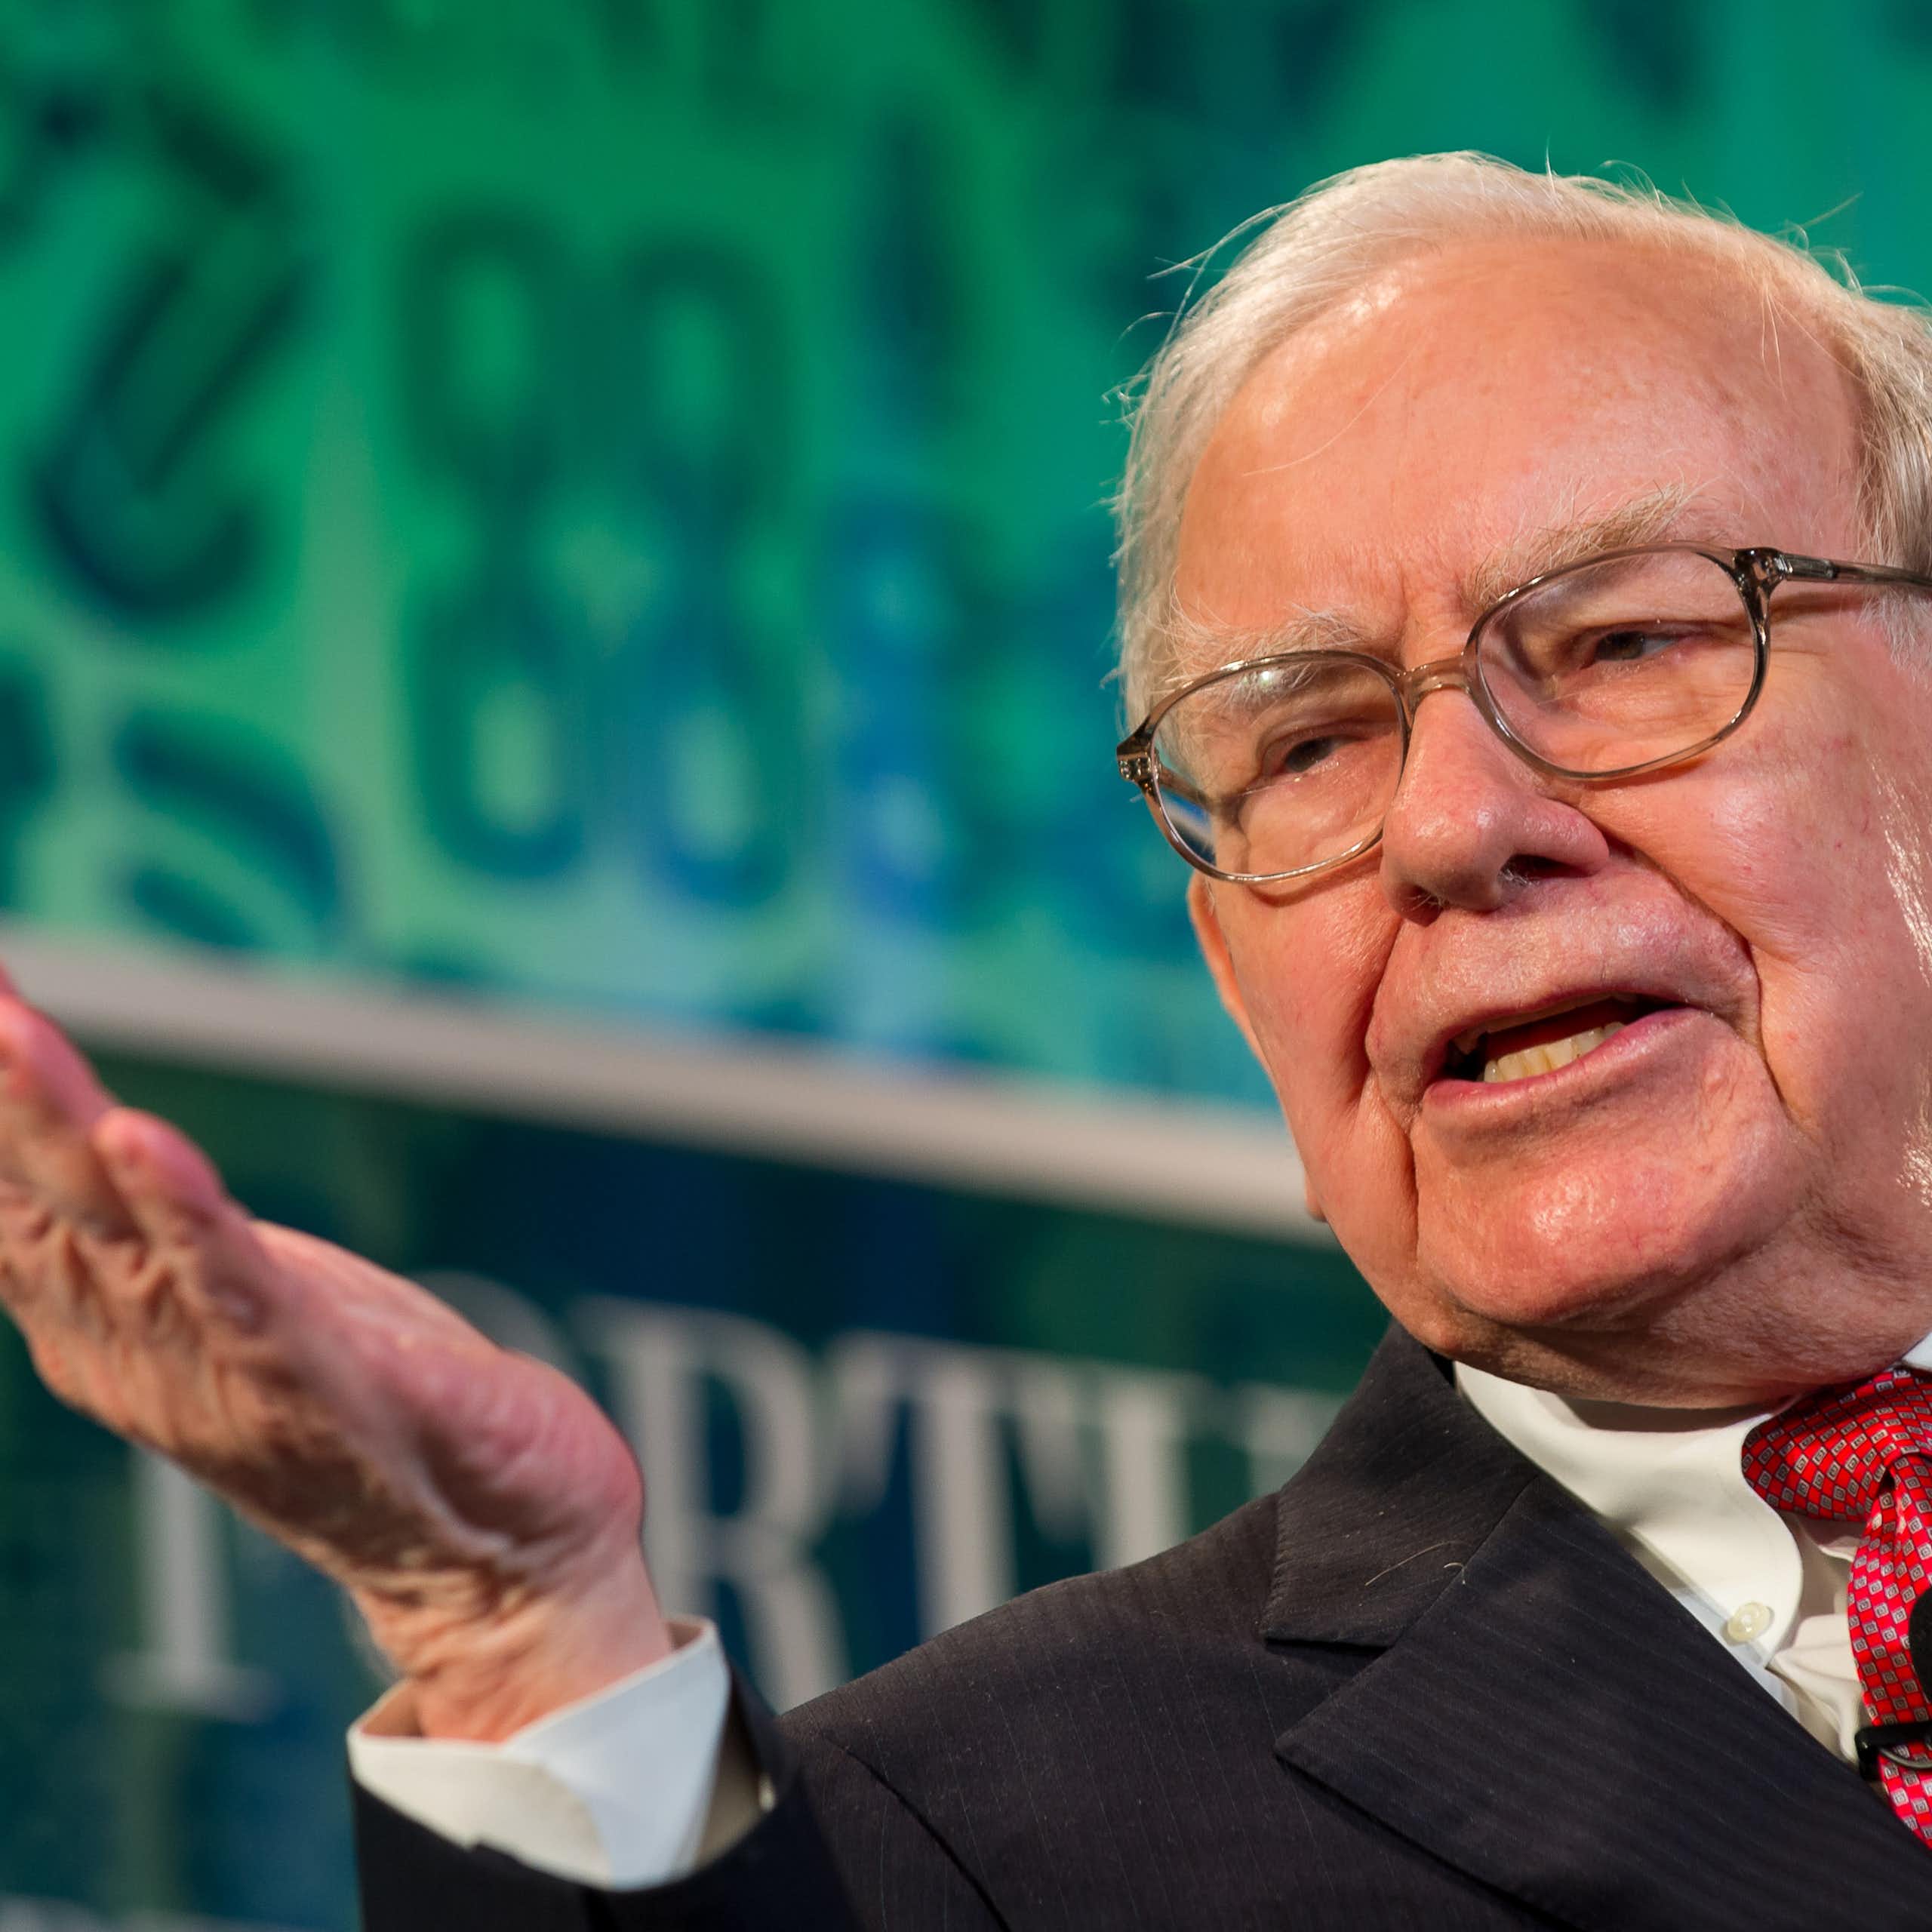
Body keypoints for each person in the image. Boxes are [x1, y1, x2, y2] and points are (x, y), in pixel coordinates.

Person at [12, 149, 1932, 1927]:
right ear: (1228, 956)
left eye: (1617, 644)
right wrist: (522, 1636)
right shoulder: (950, 1843)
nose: (1443, 822)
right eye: (1305, 741)